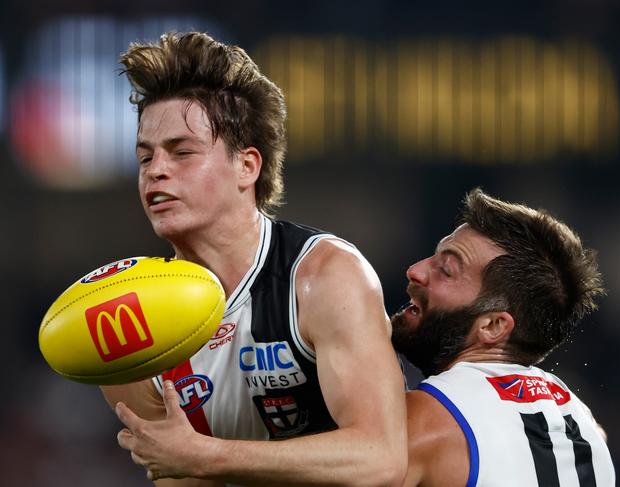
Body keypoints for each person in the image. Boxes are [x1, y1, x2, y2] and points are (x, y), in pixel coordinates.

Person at [100, 31, 407, 486]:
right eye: (145, 158)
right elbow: (183, 475)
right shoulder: (131, 327)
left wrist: (210, 456)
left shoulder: (324, 277)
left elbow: (380, 459)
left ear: (248, 166)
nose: (156, 170)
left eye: (182, 152)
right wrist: (196, 462)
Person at [391, 188, 615, 487]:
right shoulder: (584, 426)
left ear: (495, 325)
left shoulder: (425, 422)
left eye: (446, 270)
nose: (415, 270)